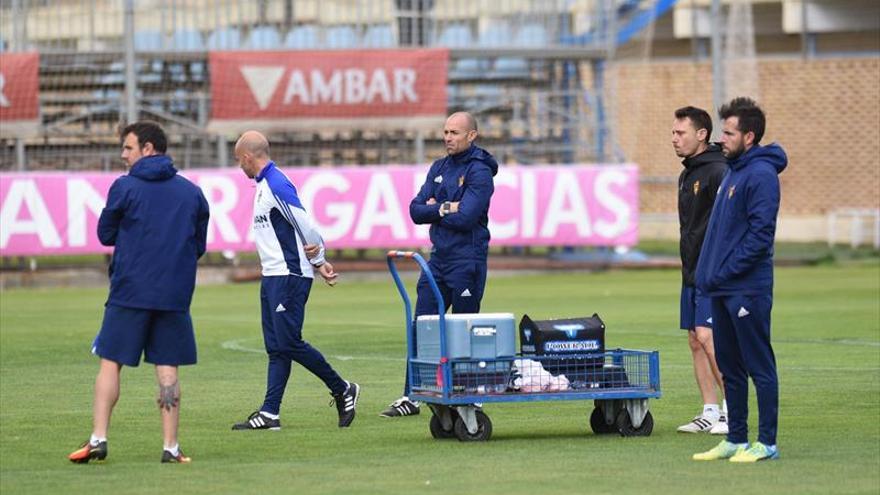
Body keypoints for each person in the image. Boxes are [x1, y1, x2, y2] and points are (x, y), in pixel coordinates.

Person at [68, 121, 210, 464]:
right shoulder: (192, 193)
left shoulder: (125, 187)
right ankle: (170, 447)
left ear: (148, 148)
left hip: (129, 291)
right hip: (174, 294)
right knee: (167, 369)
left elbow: (105, 234)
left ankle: (99, 438)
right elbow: (199, 246)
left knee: (110, 362)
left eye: (128, 147)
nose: (123, 154)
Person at [230, 130, 360, 431]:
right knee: (276, 347)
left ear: (249, 157)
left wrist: (319, 261)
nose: (240, 167)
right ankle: (270, 412)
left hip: (288, 276)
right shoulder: (264, 184)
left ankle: (342, 388)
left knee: (289, 342)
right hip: (273, 275)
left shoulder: (276, 184)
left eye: (240, 161)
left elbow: (306, 225)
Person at [380, 112, 498, 418]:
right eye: (445, 131)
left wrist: (438, 208)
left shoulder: (480, 172)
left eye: (455, 132)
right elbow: (416, 211)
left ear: (472, 135)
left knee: (463, 329)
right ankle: (412, 396)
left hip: (466, 261)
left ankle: (468, 394)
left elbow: (467, 217)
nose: (448, 137)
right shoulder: (439, 167)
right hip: (438, 260)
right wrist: (448, 207)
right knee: (423, 328)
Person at [693, 97, 787, 462]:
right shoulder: (733, 169)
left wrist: (724, 271)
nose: (722, 139)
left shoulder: (761, 174)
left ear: (749, 136)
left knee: (758, 365)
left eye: (729, 133)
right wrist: (711, 276)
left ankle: (767, 443)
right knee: (730, 367)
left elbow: (760, 237)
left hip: (747, 288)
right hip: (721, 288)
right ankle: (735, 439)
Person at [671, 106, 729, 435]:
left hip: (713, 271)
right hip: (690, 270)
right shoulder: (687, 173)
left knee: (709, 337)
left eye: (680, 133)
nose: (675, 139)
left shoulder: (718, 170)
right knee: (695, 340)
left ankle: (733, 408)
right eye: (673, 133)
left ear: (702, 134)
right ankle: (710, 411)